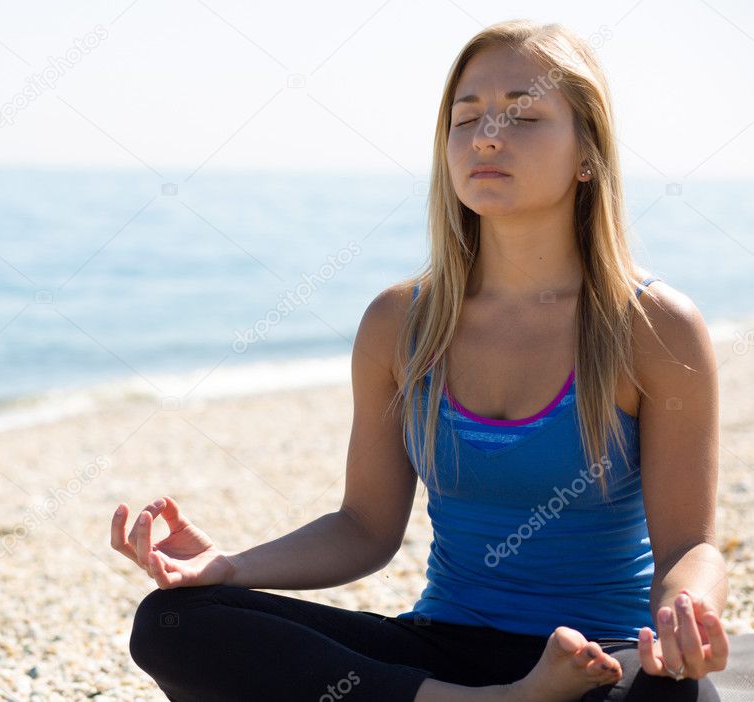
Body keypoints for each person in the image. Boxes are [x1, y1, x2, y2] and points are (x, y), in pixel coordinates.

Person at [110, 18, 730, 701]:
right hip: (441, 649)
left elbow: (686, 548)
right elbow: (364, 528)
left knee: (677, 694)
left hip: (597, 660)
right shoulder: (400, 323)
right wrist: (228, 566)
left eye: (522, 115)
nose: (487, 135)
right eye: (466, 119)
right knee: (173, 620)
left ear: (587, 152)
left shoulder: (653, 326)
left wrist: (686, 608)